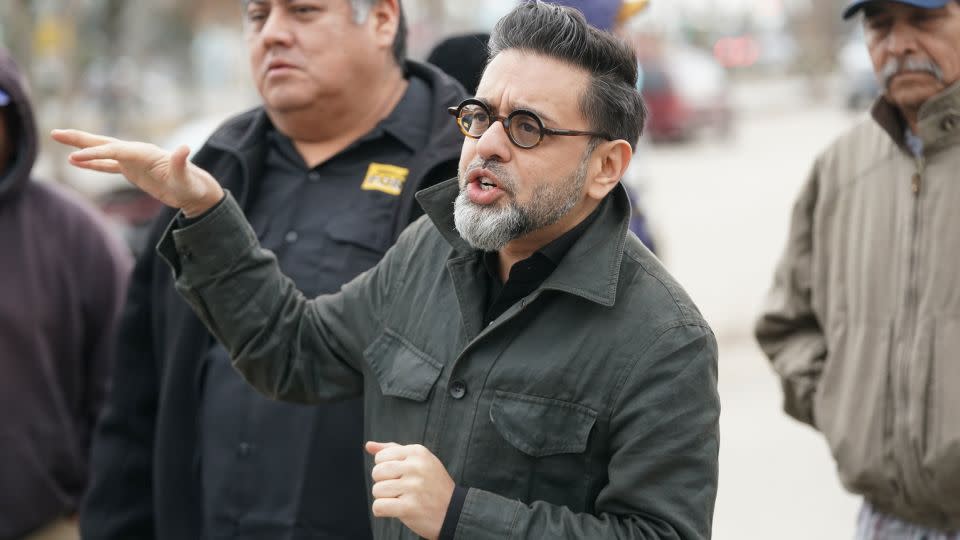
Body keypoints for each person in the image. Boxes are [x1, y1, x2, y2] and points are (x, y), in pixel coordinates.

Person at [54, 2, 720, 539]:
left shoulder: (663, 338)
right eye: (479, 116)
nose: (486, 143)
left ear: (606, 166)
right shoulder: (427, 253)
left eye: (527, 129)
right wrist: (205, 209)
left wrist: (461, 517)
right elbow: (293, 354)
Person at [76, 1, 465, 538]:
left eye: (303, 11)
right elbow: (138, 399)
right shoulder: (207, 170)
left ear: (381, 20)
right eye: (257, 16)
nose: (273, 34)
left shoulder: (461, 176)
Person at [755, 0, 960, 537]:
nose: (899, 45)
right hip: (886, 522)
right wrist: (845, 407)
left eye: (924, 20)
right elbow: (786, 324)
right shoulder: (841, 169)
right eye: (881, 25)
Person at [0, 48, 132, 540]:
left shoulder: (75, 233)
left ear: (15, 120)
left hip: (48, 522)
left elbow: (123, 382)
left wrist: (94, 497)